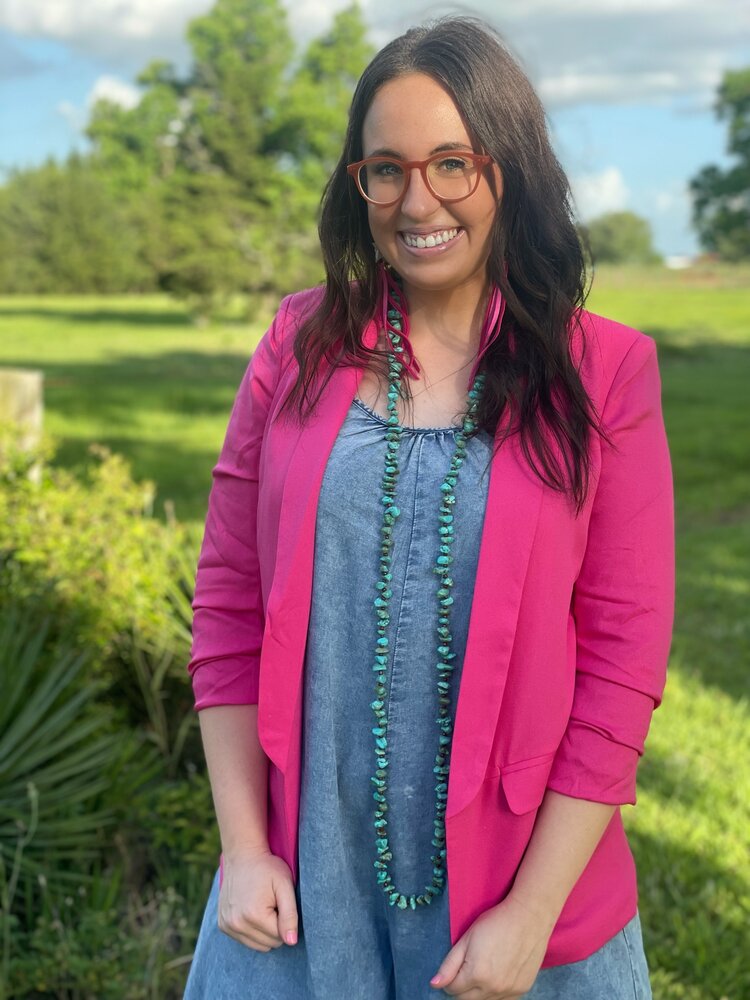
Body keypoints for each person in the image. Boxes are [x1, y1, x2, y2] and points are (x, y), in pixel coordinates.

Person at [183, 16, 674, 1000]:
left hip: (517, 919)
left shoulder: (605, 371)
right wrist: (243, 848)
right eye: (386, 169)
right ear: (357, 184)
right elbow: (230, 604)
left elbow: (623, 663)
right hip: (296, 901)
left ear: (510, 170)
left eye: (455, 163)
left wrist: (530, 915)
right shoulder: (296, 346)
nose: (419, 201)